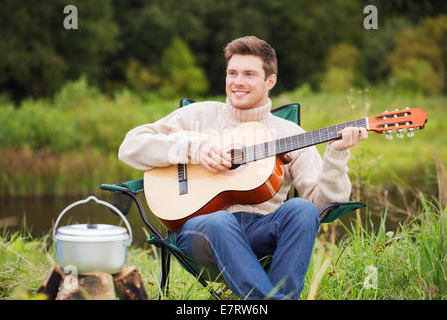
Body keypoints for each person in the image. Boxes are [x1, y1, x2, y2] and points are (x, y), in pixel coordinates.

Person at [118, 36, 368, 300]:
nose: (237, 82)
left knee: (302, 209)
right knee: (221, 220)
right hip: (201, 232)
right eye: (232, 73)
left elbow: (323, 206)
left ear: (269, 81)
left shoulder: (290, 135)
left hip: (260, 231)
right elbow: (131, 146)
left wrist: (336, 156)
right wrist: (194, 149)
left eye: (249, 74)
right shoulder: (198, 116)